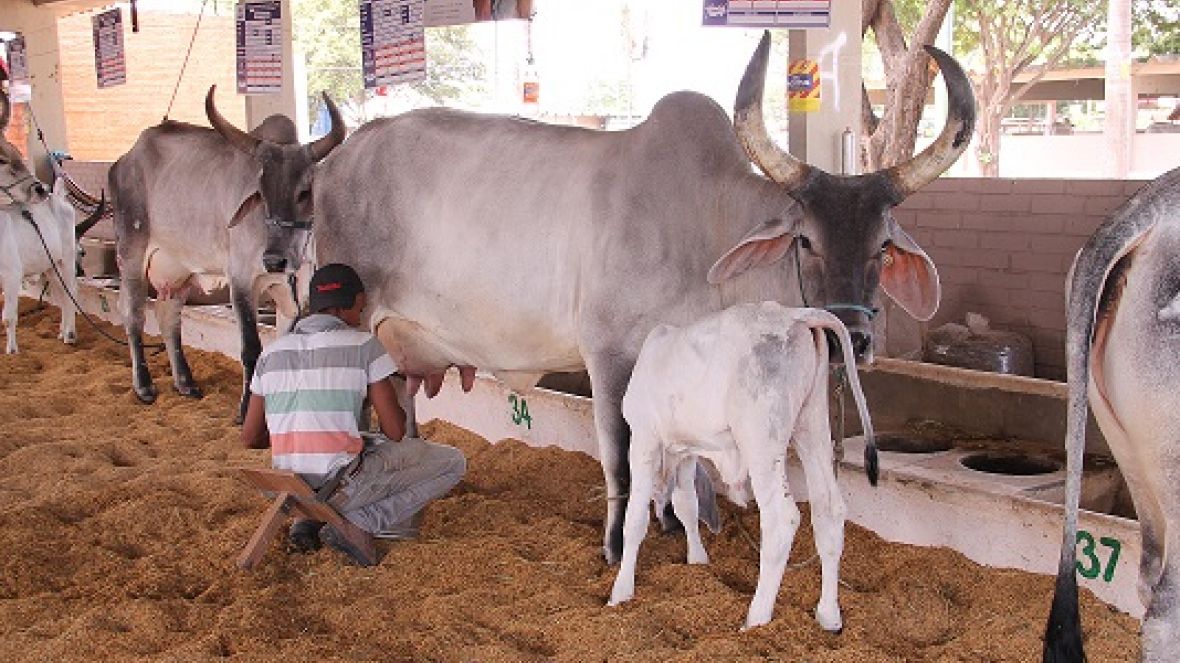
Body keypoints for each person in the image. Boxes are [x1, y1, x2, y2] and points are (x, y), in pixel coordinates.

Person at [241, 263, 467, 564]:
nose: (361, 317)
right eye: (360, 309)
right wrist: (379, 397)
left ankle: (307, 521)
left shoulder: (272, 352)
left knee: (355, 441)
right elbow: (395, 431)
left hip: (288, 487)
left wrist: (303, 424)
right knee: (452, 462)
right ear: (352, 303)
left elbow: (251, 437)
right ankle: (363, 522)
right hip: (339, 487)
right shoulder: (363, 344)